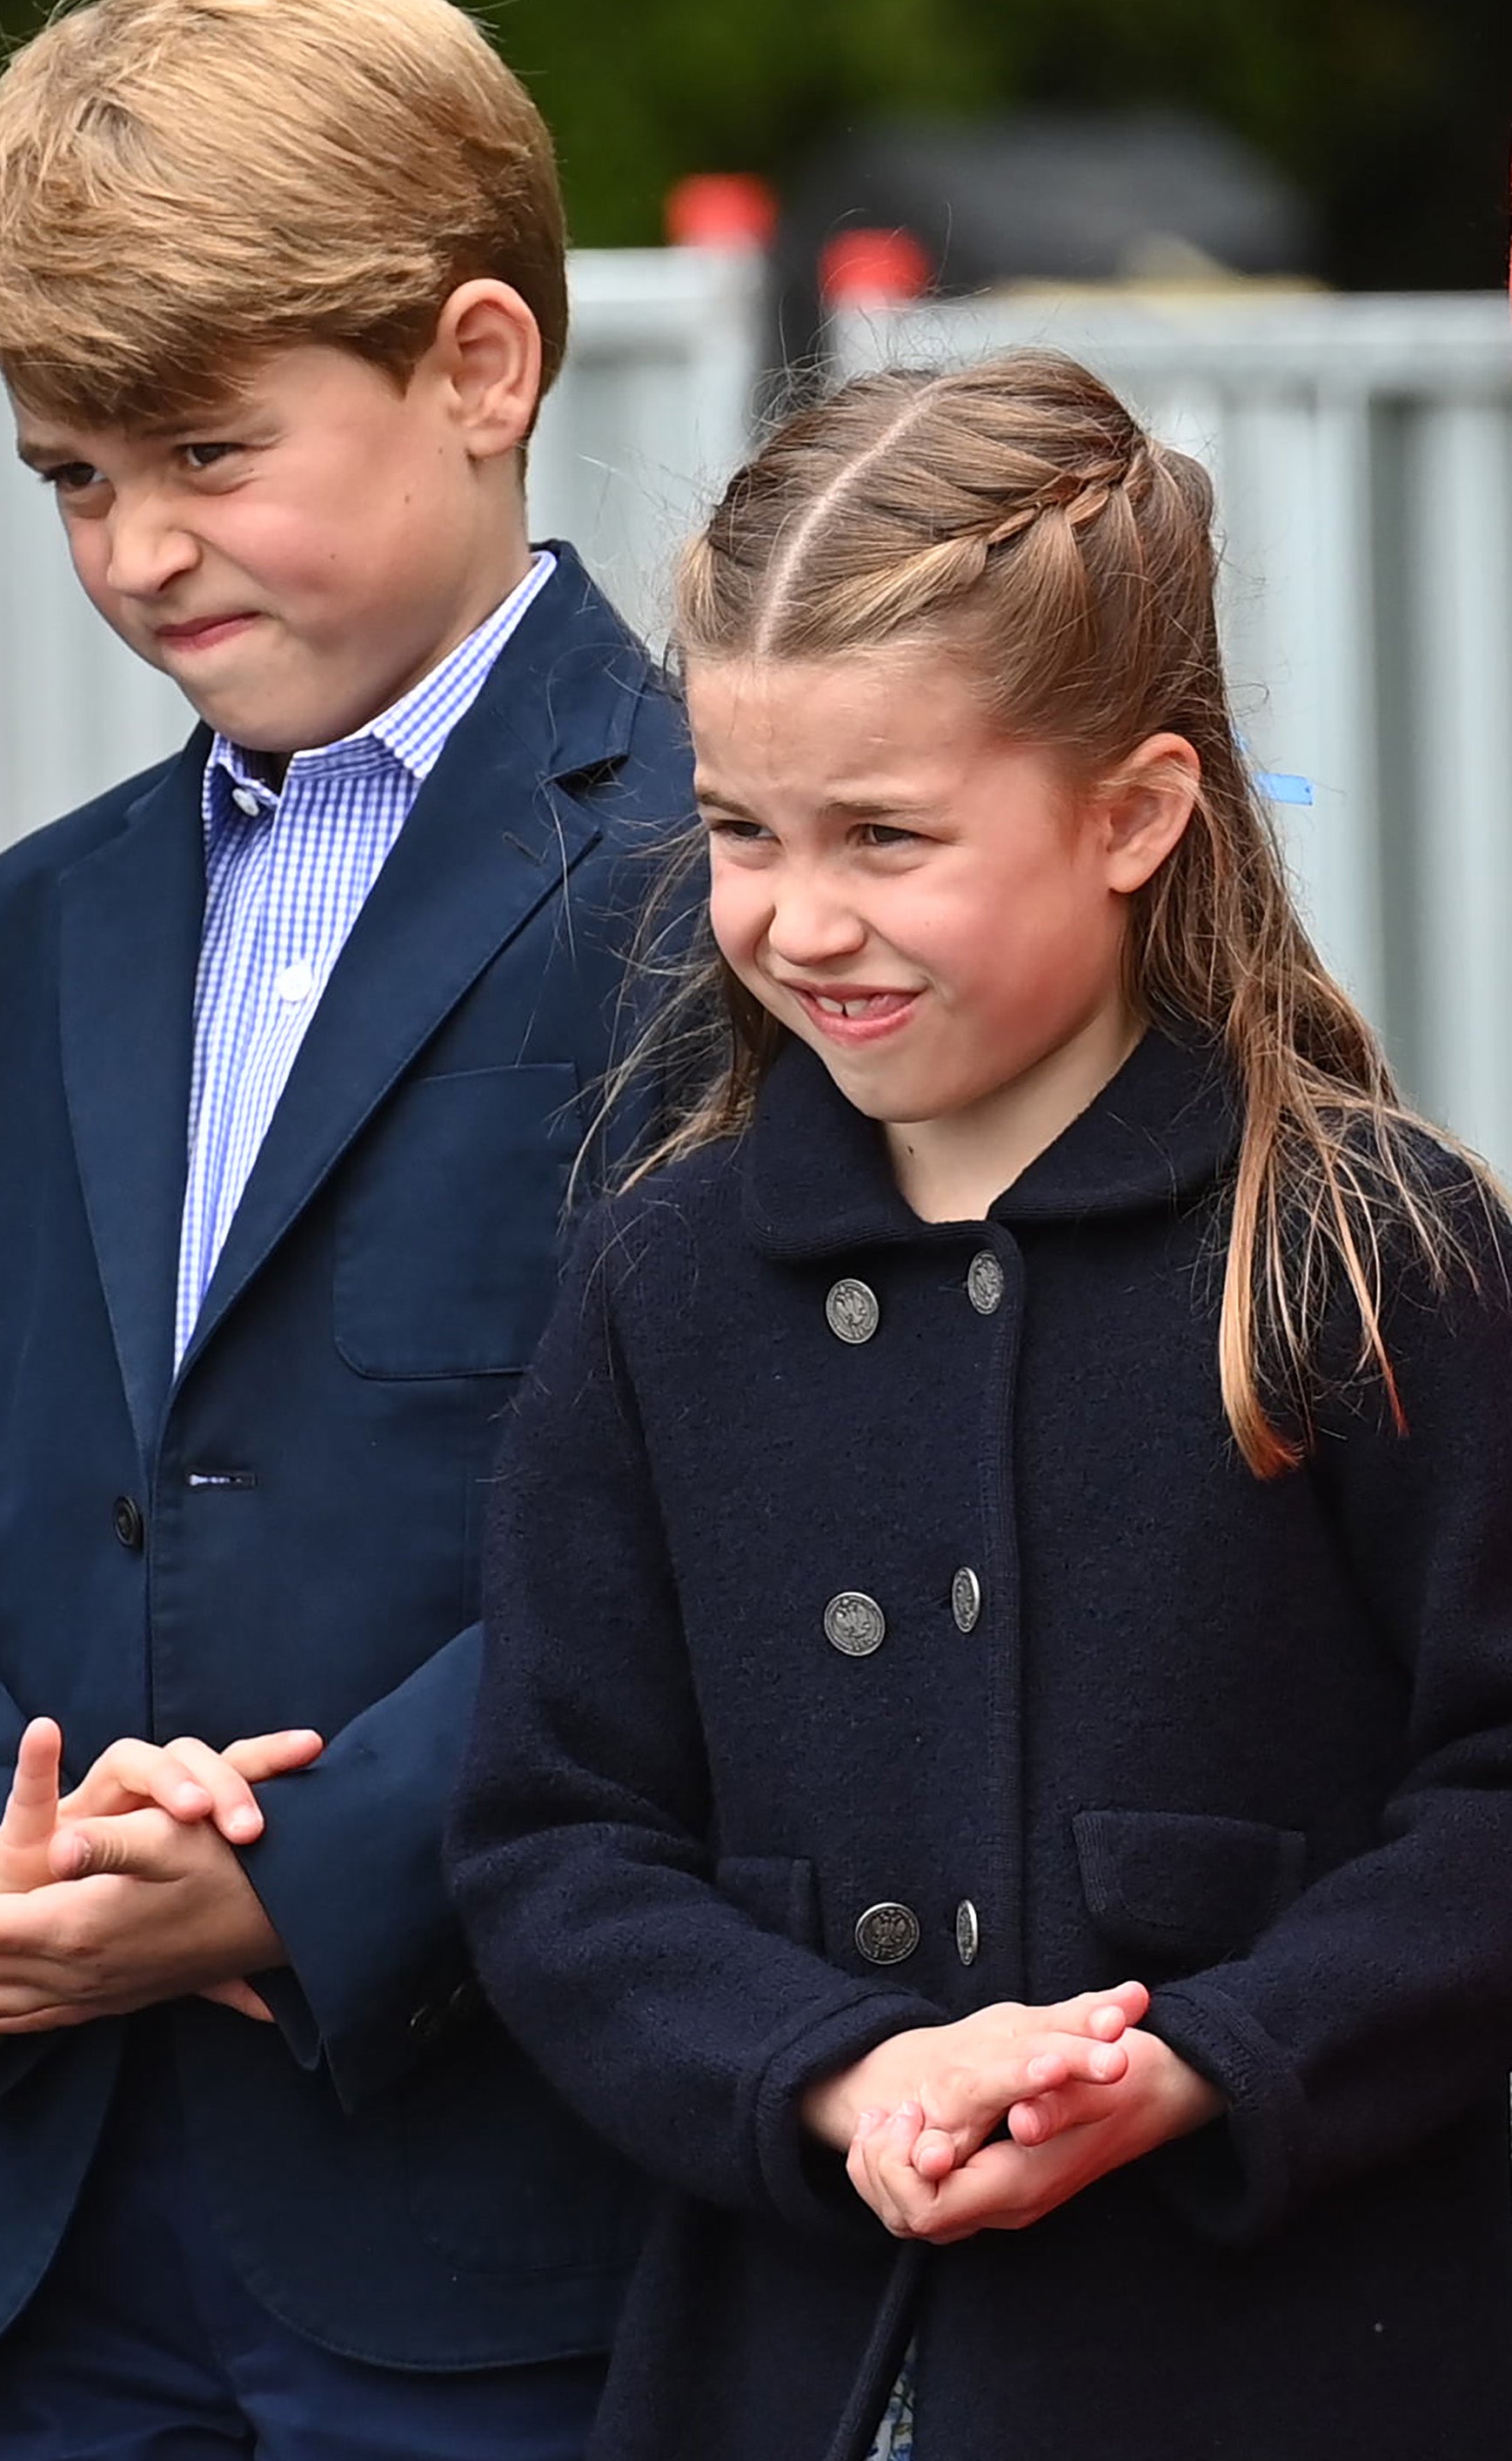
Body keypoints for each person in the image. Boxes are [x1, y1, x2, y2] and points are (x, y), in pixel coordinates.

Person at [0, 0, 690, 2459]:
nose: (133, 552)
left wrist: (299, 1878)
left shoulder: (741, 904)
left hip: (515, 2241)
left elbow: (751, 1532)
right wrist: (8, 1866)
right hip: (45, 2250)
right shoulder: (11, 942)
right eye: (72, 474)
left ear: (476, 362)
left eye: (203, 452)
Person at [447, 351, 1512, 2461]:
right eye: (741, 831)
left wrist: (1208, 2055)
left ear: (1130, 812)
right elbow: (557, 1842)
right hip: (780, 2376)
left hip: (1304, 2371)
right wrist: (836, 2072)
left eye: (887, 837)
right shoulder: (663, 1278)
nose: (796, 918)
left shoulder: (1367, 1250)